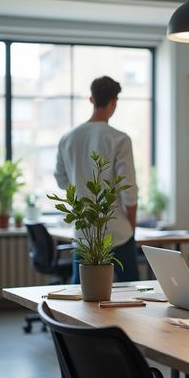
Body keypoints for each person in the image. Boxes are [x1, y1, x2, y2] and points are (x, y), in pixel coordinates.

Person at [54, 76, 139, 283]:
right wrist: (132, 225)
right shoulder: (119, 139)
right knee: (133, 289)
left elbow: (60, 177)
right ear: (114, 102)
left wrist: (79, 192)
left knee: (80, 292)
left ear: (91, 99)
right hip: (117, 231)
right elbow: (128, 189)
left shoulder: (68, 138)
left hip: (83, 229)